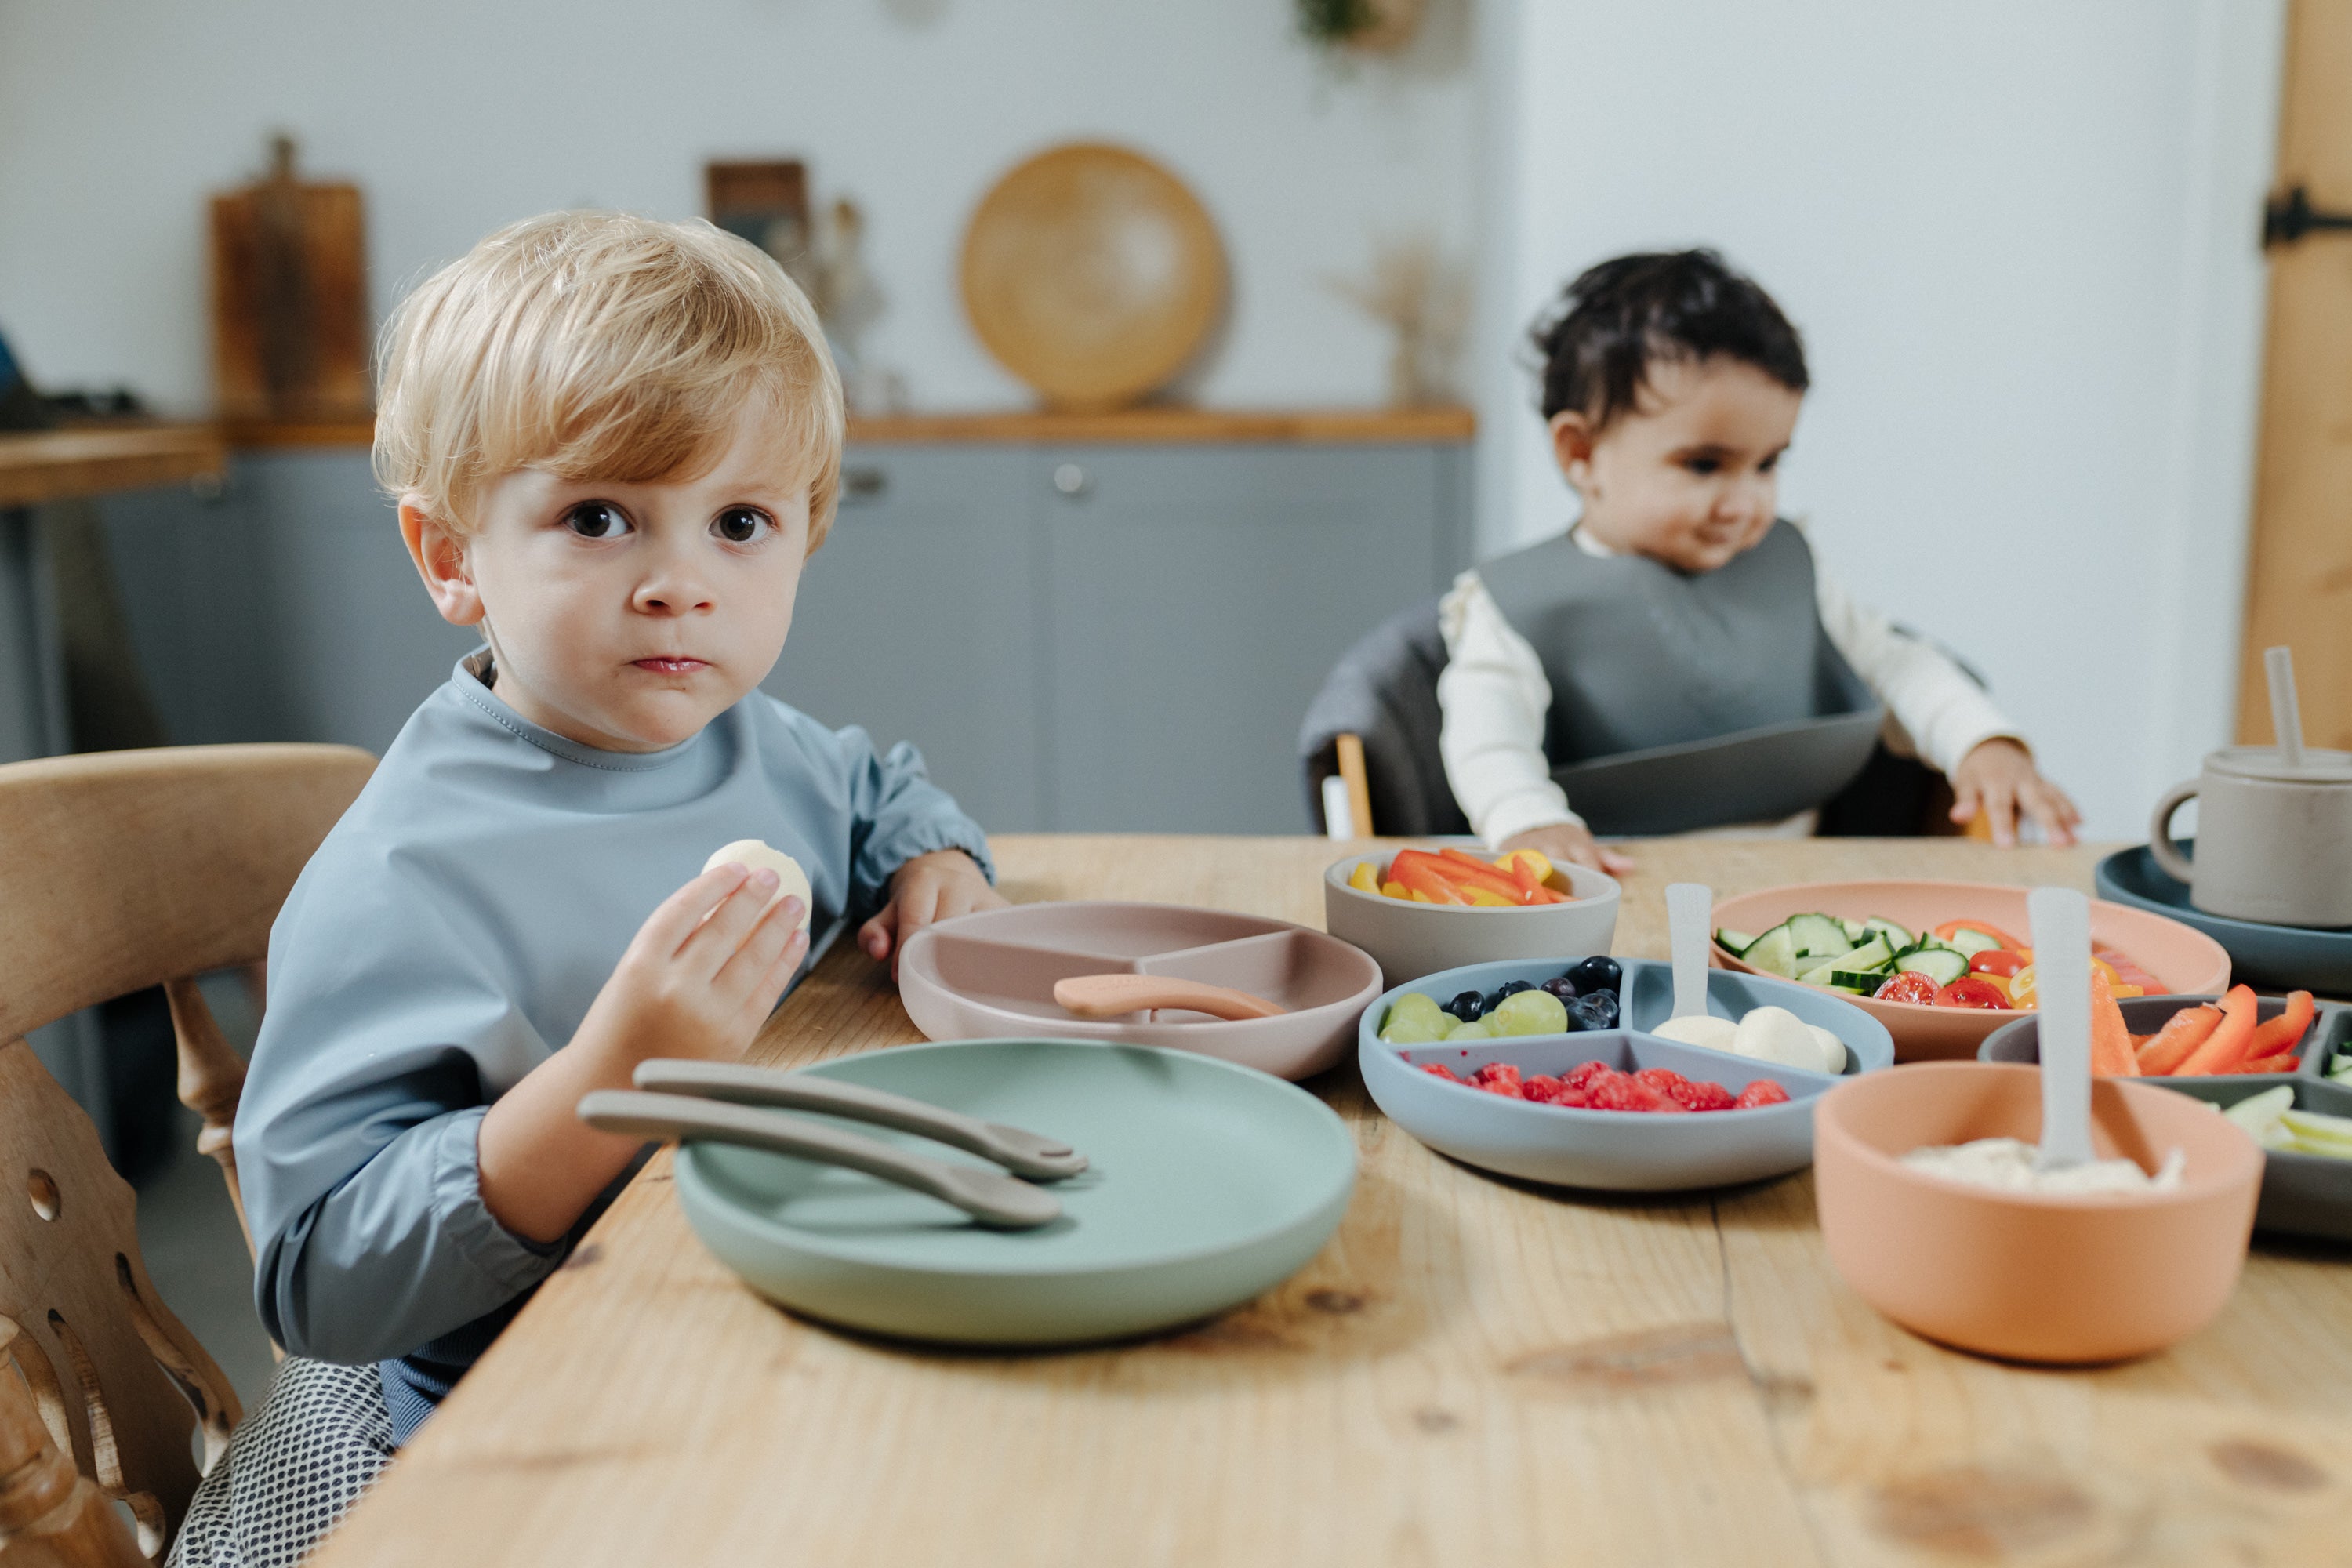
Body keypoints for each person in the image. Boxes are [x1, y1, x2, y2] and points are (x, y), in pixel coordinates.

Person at [234, 212, 1005, 1446]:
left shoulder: (763, 745)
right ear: (452, 556)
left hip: (791, 1326)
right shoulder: (400, 877)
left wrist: (936, 860)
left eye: (739, 523)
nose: (680, 581)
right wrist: (610, 1079)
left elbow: (883, 791)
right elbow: (317, 1281)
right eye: (599, 517)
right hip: (557, 1427)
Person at [1440, 249, 2080, 874]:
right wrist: (1528, 820)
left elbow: (1895, 661)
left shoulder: (1790, 563)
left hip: (1793, 881)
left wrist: (1983, 743)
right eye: (1704, 465)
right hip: (1614, 883)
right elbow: (1485, 732)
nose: (1747, 502)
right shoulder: (1514, 603)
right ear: (1581, 453)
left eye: (1768, 463)